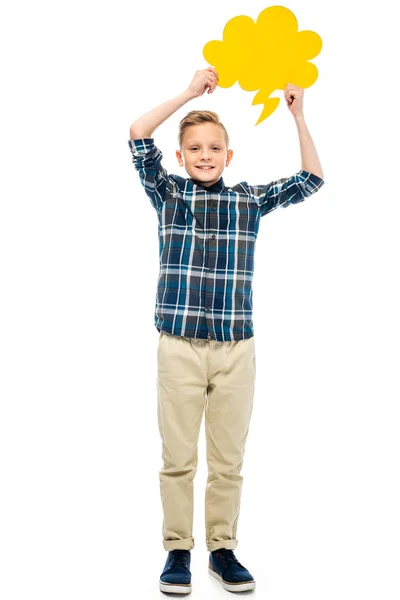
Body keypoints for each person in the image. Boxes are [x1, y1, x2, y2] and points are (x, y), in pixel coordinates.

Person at [127, 66, 325, 594]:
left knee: (228, 459)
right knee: (178, 458)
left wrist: (298, 115)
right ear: (181, 156)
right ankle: (176, 552)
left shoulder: (248, 201)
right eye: (195, 148)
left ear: (229, 156)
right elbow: (137, 133)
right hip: (179, 347)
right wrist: (190, 93)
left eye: (215, 147)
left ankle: (222, 548)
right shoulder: (168, 194)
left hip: (237, 350)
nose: (206, 155)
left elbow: (312, 179)